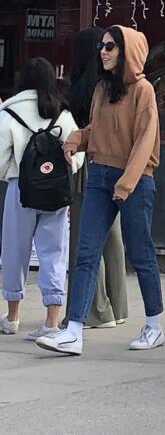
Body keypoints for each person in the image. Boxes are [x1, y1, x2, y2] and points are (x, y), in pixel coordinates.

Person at [37, 26, 165, 356]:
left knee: (141, 253)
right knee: (85, 253)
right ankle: (74, 330)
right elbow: (98, 129)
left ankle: (154, 325)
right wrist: (76, 139)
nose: (103, 51)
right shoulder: (100, 89)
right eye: (102, 46)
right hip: (98, 176)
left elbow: (144, 141)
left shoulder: (144, 91)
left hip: (134, 180)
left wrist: (126, 185)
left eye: (111, 46)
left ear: (129, 52)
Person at [0, 58, 80, 340]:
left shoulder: (9, 110)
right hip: (56, 192)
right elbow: (77, 153)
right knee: (55, 253)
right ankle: (51, 321)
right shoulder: (62, 112)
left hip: (19, 189)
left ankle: (12, 316)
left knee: (14, 251)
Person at [65, 26, 128, 330]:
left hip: (87, 162)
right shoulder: (114, 84)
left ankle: (95, 309)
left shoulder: (82, 87)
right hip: (116, 162)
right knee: (112, 238)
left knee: (85, 238)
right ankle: (118, 306)